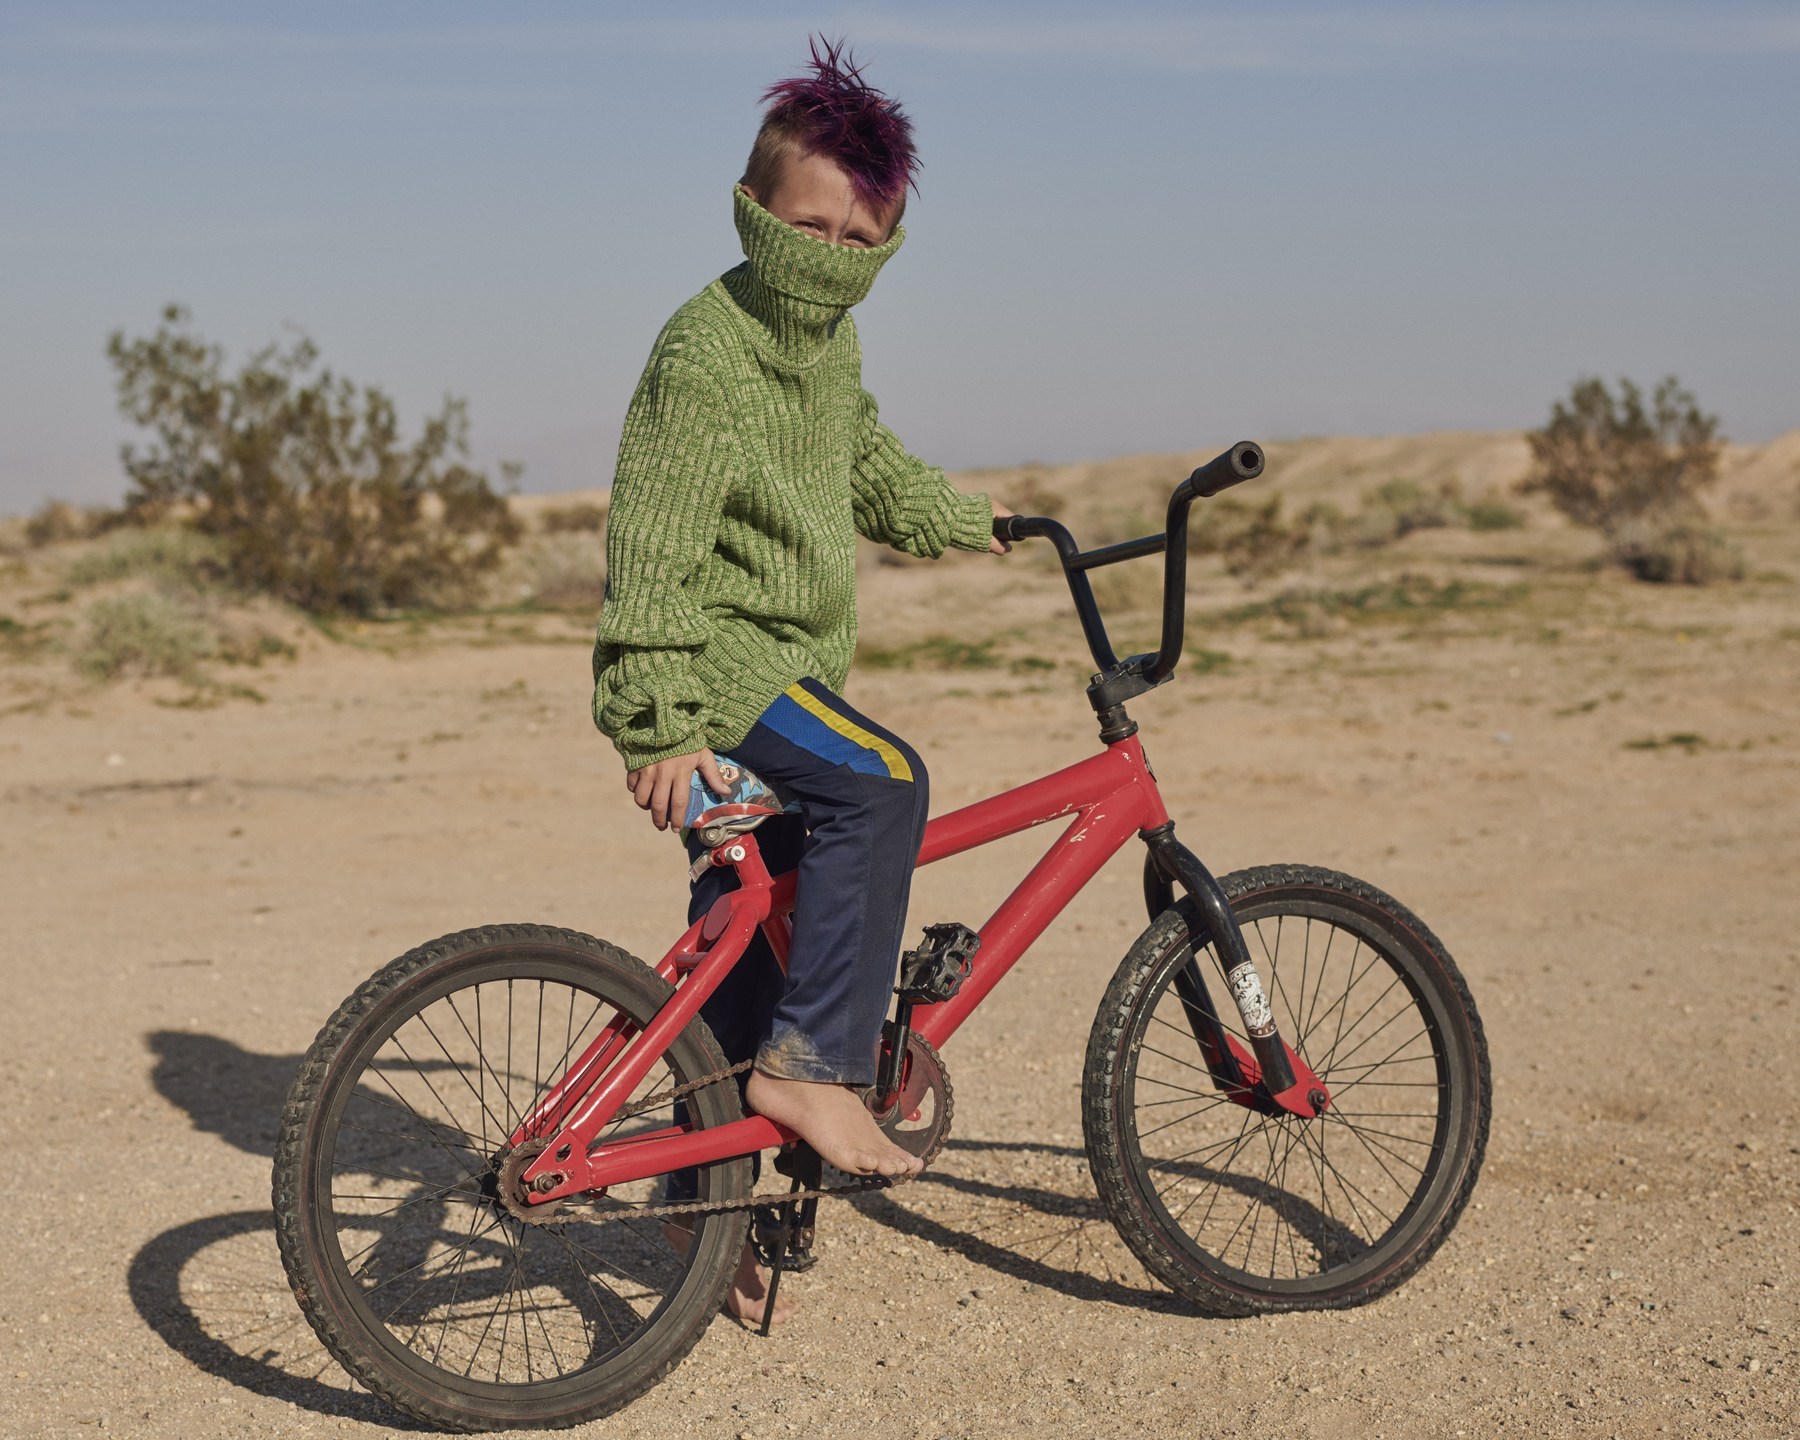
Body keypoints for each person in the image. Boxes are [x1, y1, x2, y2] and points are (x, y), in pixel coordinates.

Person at [591, 39, 1011, 1322]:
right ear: (753, 209)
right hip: (720, 668)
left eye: (859, 233)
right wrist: (657, 720)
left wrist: (962, 517)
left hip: (776, 670)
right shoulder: (706, 351)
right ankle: (819, 1072)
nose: (830, 251)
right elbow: (653, 537)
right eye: (807, 224)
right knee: (883, 785)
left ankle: (700, 1213)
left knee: (754, 945)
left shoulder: (827, 353)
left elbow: (863, 463)